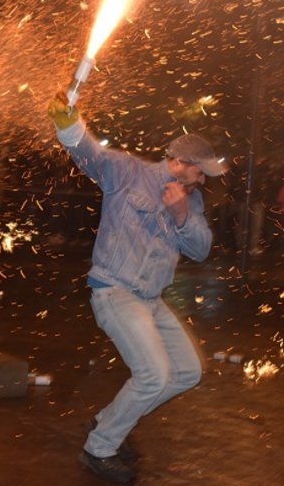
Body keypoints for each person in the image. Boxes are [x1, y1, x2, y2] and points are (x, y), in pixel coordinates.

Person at [48, 93, 225, 483]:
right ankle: (99, 448)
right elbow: (88, 153)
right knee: (153, 376)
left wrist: (181, 215)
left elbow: (200, 249)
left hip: (151, 300)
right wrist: (68, 124)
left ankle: (109, 421)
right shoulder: (128, 171)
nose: (202, 180)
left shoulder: (191, 201)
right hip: (116, 291)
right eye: (200, 172)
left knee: (188, 372)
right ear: (180, 162)